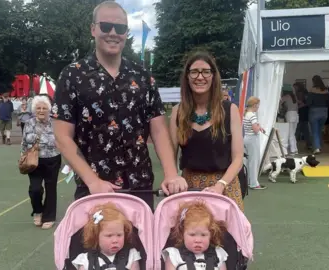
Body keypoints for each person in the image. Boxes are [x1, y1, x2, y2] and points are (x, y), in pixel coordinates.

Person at [53, 1, 186, 209]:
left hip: (140, 187)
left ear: (126, 32)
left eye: (121, 28)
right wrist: (92, 181)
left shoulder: (143, 77)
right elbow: (62, 136)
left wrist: (171, 174)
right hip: (95, 191)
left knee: (142, 242)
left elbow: (158, 130)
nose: (113, 33)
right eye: (106, 26)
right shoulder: (73, 75)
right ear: (93, 29)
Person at [169, 51, 245, 211]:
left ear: (213, 76)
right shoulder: (178, 112)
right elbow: (170, 155)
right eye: (194, 72)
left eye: (205, 71)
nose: (200, 77)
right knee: (191, 235)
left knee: (227, 236)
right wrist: (173, 177)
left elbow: (238, 158)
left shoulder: (229, 110)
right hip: (189, 187)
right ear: (187, 77)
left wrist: (220, 185)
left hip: (224, 186)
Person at [21, 95, 61, 230]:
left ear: (49, 110)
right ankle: (38, 211)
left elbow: (62, 142)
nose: (41, 110)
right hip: (34, 161)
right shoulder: (28, 123)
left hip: (52, 159)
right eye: (38, 108)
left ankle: (49, 217)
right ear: (34, 110)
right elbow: (24, 142)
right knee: (35, 189)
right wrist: (23, 157)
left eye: (44, 108)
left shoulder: (55, 123)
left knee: (51, 188)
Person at [72, 202, 141, 270]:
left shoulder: (131, 256)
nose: (115, 240)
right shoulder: (86, 260)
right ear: (96, 236)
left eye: (119, 235)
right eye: (109, 236)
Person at [162, 200, 228, 270]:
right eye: (192, 235)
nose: (198, 240)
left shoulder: (218, 254)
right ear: (182, 234)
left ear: (210, 235)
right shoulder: (174, 256)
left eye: (203, 235)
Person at [243, 97, 266, 190]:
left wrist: (258, 125)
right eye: (258, 105)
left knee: (249, 161)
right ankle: (254, 183)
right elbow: (255, 130)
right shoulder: (252, 115)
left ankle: (249, 181)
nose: (258, 107)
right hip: (253, 139)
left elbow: (252, 127)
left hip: (247, 138)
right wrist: (258, 126)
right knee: (254, 161)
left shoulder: (246, 114)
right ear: (255, 105)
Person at [307, 75, 329, 154]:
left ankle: (316, 148)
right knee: (319, 130)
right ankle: (319, 145)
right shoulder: (326, 91)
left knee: (314, 131)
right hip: (324, 112)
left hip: (314, 111)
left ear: (314, 81)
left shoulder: (312, 90)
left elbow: (308, 102)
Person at [280, 84, 299, 155]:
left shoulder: (285, 97)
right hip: (296, 115)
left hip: (290, 115)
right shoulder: (294, 97)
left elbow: (279, 103)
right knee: (293, 133)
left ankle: (293, 150)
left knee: (290, 134)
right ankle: (295, 149)